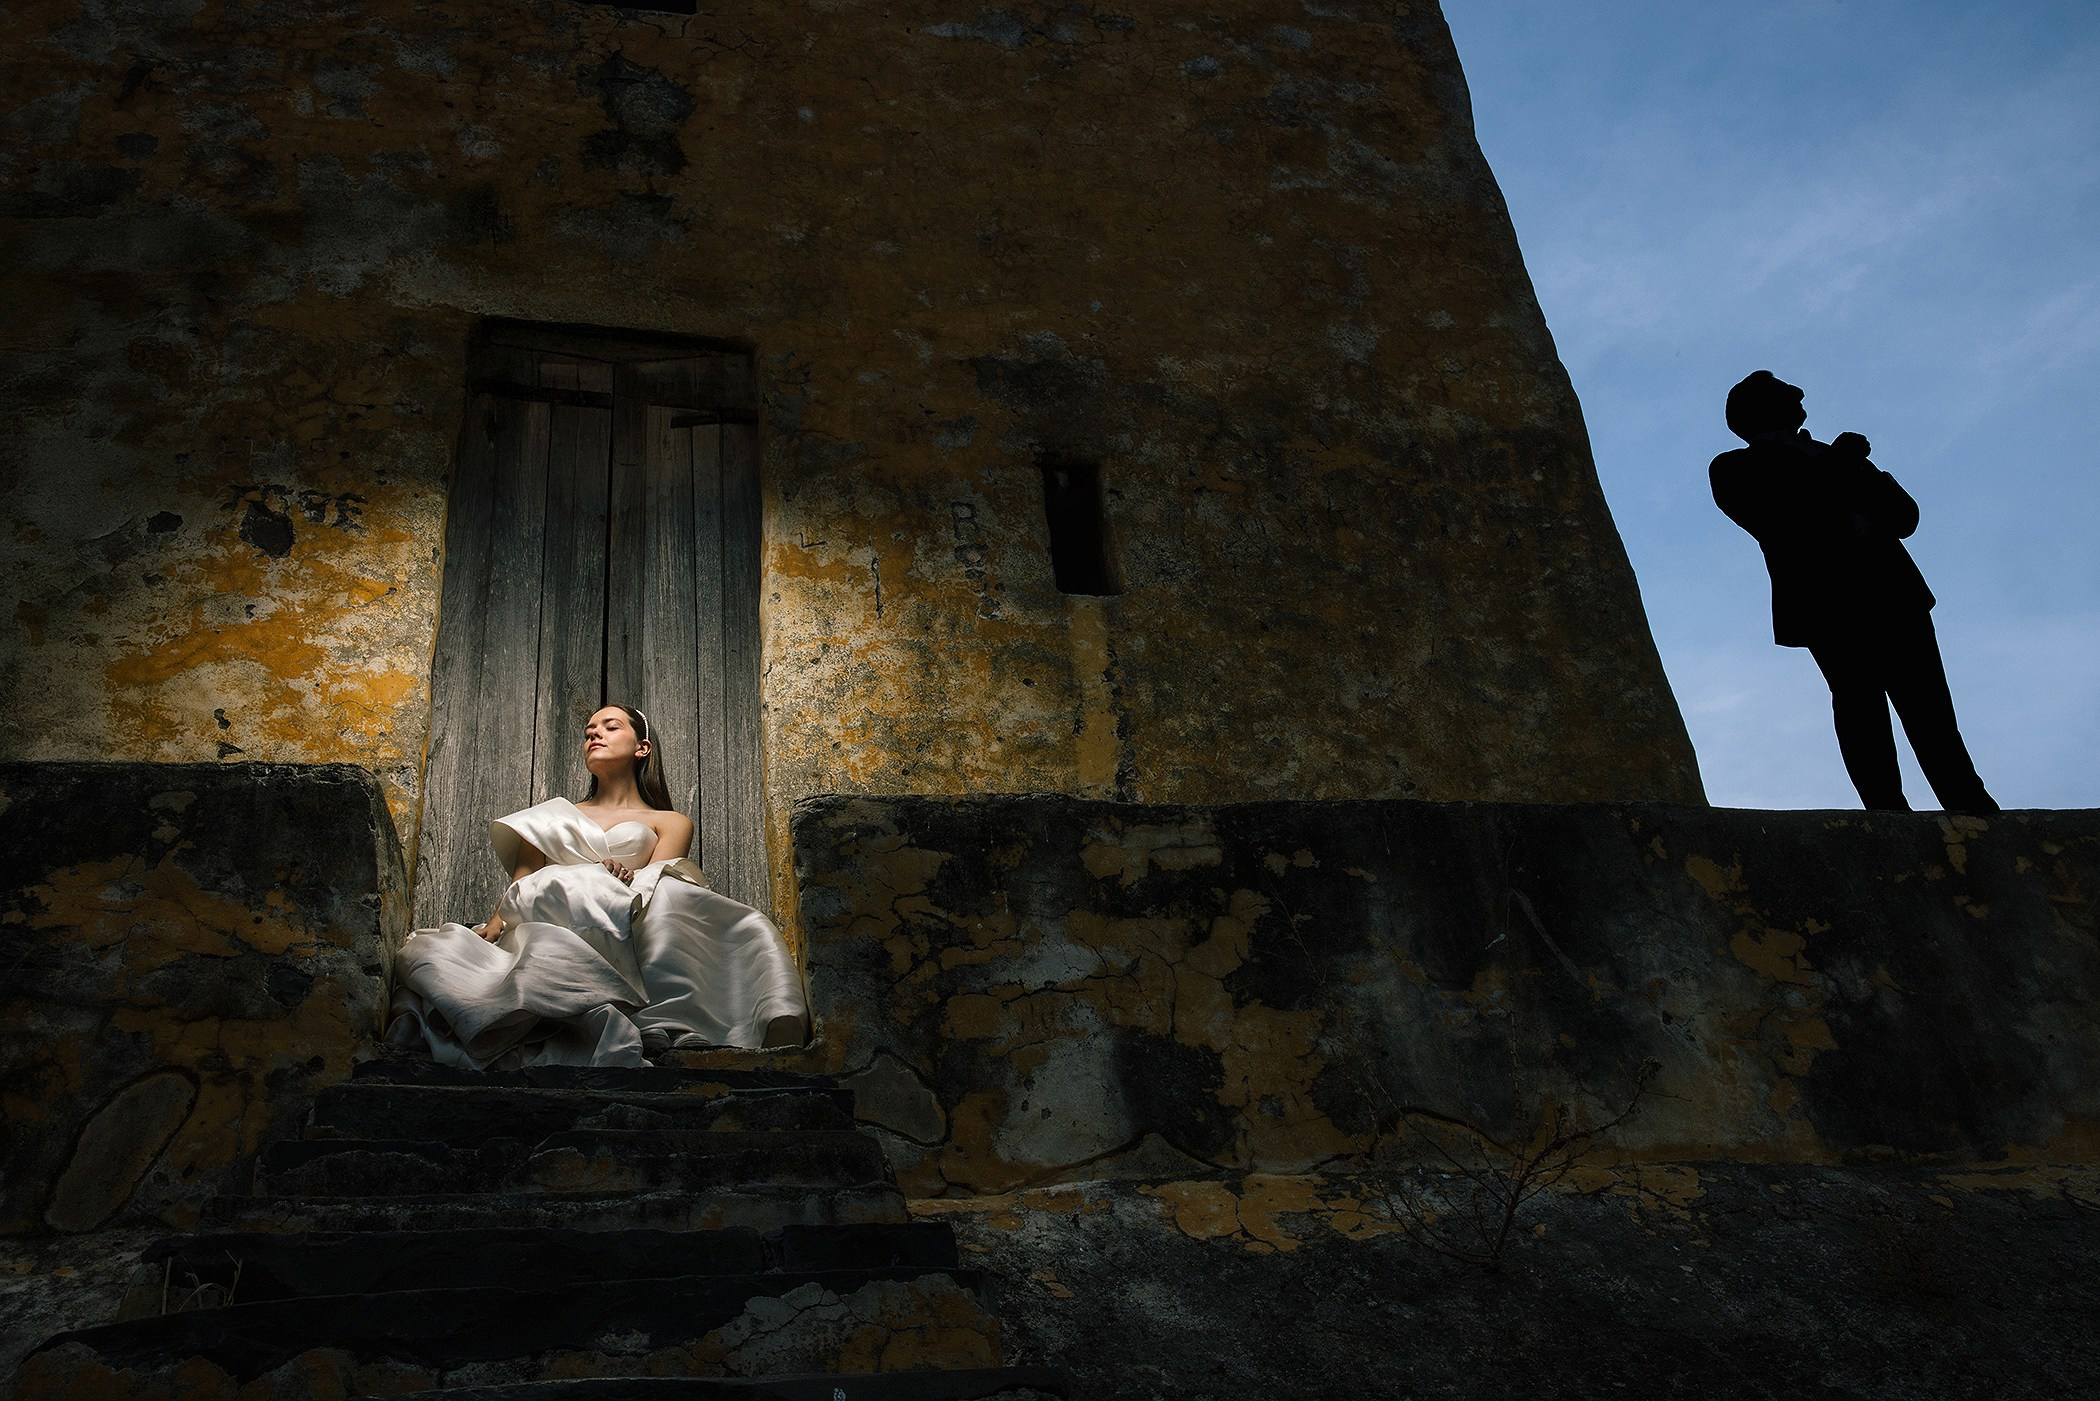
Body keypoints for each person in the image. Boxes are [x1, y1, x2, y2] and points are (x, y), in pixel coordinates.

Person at [386, 704, 809, 1068]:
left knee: (676, 897)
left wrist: (624, 879)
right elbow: (522, 881)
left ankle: (667, 1019)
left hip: (631, 912)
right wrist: (493, 928)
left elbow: (661, 877)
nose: (594, 734)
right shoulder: (548, 817)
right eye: (590, 730)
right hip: (555, 913)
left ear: (642, 748)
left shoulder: (670, 821)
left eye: (610, 727)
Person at [1710, 370, 1997, 813]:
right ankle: (1886, 815)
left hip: (1896, 597)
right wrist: (1844, 470)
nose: (1799, 391)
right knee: (1861, 708)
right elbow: (1787, 519)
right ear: (1760, 408)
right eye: (1784, 389)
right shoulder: (1735, 467)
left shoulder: (1833, 455)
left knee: (1932, 711)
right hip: (1829, 605)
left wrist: (1850, 471)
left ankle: (1971, 806)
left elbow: (1904, 517)